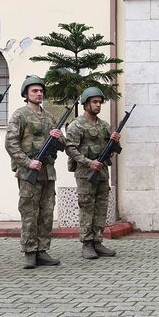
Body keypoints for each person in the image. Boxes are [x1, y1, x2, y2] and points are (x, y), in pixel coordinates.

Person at [5, 75, 65, 269]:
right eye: (34, 91)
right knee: (29, 212)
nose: (39, 94)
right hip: (28, 173)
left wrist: (57, 138)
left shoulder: (50, 117)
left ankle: (42, 250)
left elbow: (64, 144)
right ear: (26, 94)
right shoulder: (19, 115)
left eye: (41, 91)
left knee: (46, 213)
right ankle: (30, 251)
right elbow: (11, 143)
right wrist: (27, 162)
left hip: (47, 172)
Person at [65, 87, 121, 260]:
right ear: (86, 103)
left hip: (102, 172)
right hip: (85, 173)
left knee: (101, 207)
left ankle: (98, 241)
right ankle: (87, 243)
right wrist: (89, 162)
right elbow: (70, 148)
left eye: (100, 102)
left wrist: (115, 142)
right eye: (94, 102)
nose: (98, 105)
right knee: (87, 207)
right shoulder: (77, 125)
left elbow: (114, 150)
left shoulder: (104, 125)